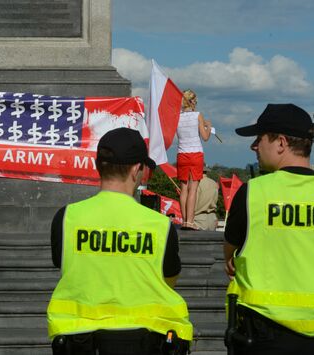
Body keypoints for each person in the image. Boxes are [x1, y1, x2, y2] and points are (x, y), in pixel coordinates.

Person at [223, 104, 314, 355]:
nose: (254, 146)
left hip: (265, 335)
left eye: (259, 138)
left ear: (281, 143)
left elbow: (230, 253)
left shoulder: (254, 192)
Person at [47, 127, 193, 355]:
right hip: (144, 342)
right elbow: (168, 279)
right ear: (137, 170)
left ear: (98, 166)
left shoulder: (66, 218)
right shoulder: (160, 226)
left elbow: (64, 265)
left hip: (79, 342)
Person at [176, 89, 212, 230]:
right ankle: (190, 222)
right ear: (192, 102)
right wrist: (208, 127)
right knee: (193, 189)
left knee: (183, 189)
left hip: (181, 154)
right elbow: (205, 137)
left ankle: (184, 220)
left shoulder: (177, 117)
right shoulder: (198, 115)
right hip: (195, 153)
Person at [193, 166, 218, 231]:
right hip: (212, 218)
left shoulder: (195, 183)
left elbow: (194, 204)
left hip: (198, 218)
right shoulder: (214, 183)